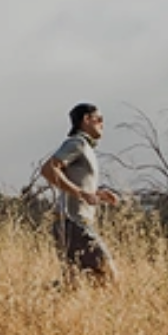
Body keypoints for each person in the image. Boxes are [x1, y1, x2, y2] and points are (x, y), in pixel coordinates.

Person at [39, 102, 121, 286]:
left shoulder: (85, 147)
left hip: (69, 223)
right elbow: (49, 169)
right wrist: (81, 193)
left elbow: (73, 181)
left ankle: (31, 296)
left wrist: (96, 194)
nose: (102, 124)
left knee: (76, 283)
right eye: (99, 119)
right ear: (86, 119)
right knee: (110, 275)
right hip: (74, 223)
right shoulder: (77, 143)